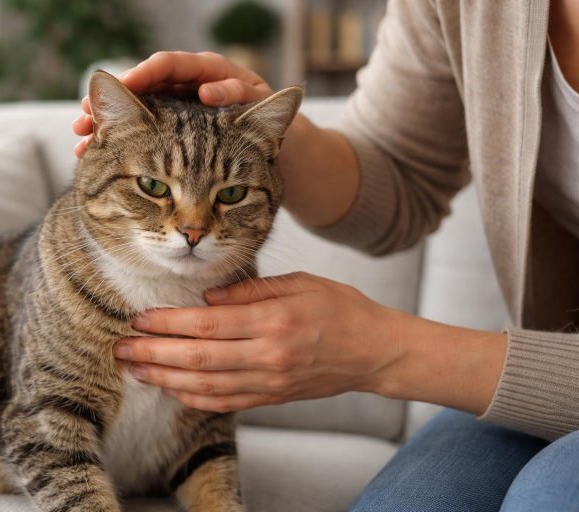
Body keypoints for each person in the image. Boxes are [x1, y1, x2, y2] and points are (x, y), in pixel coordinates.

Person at [72, 1, 579, 510]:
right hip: (534, 381)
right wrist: (259, 134)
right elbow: (404, 176)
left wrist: (386, 349)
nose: (193, 229)